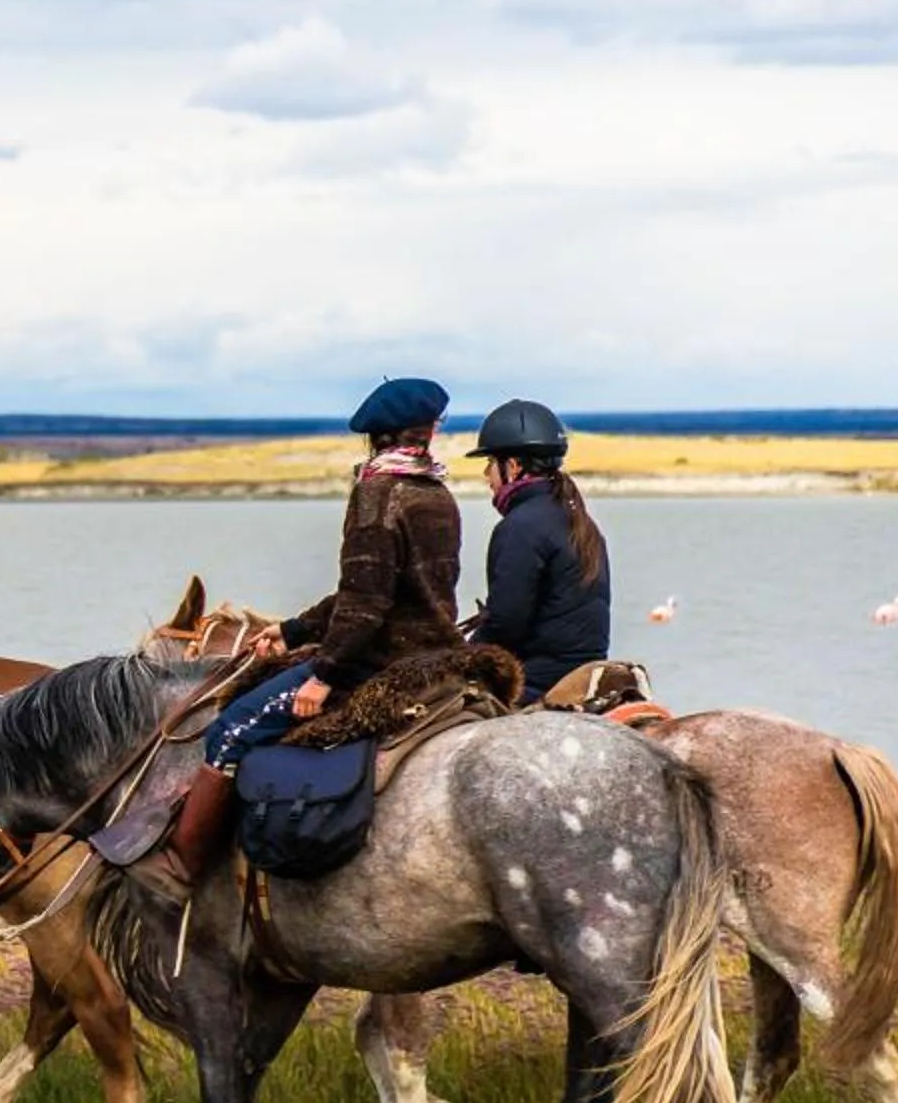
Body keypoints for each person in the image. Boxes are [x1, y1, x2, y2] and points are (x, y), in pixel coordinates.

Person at [142, 375, 463, 901]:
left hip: (377, 662)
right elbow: (373, 591)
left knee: (229, 729)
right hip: (435, 656)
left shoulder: (377, 495)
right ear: (426, 433)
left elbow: (366, 604)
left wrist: (322, 674)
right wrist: (292, 631)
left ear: (376, 436)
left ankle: (182, 866)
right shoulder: (437, 494)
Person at [464, 398, 611, 700]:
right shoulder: (580, 519)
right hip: (585, 671)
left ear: (513, 467)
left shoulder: (519, 527)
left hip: (538, 680)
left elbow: (506, 624)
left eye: (490, 463)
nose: (486, 475)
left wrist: (461, 657)